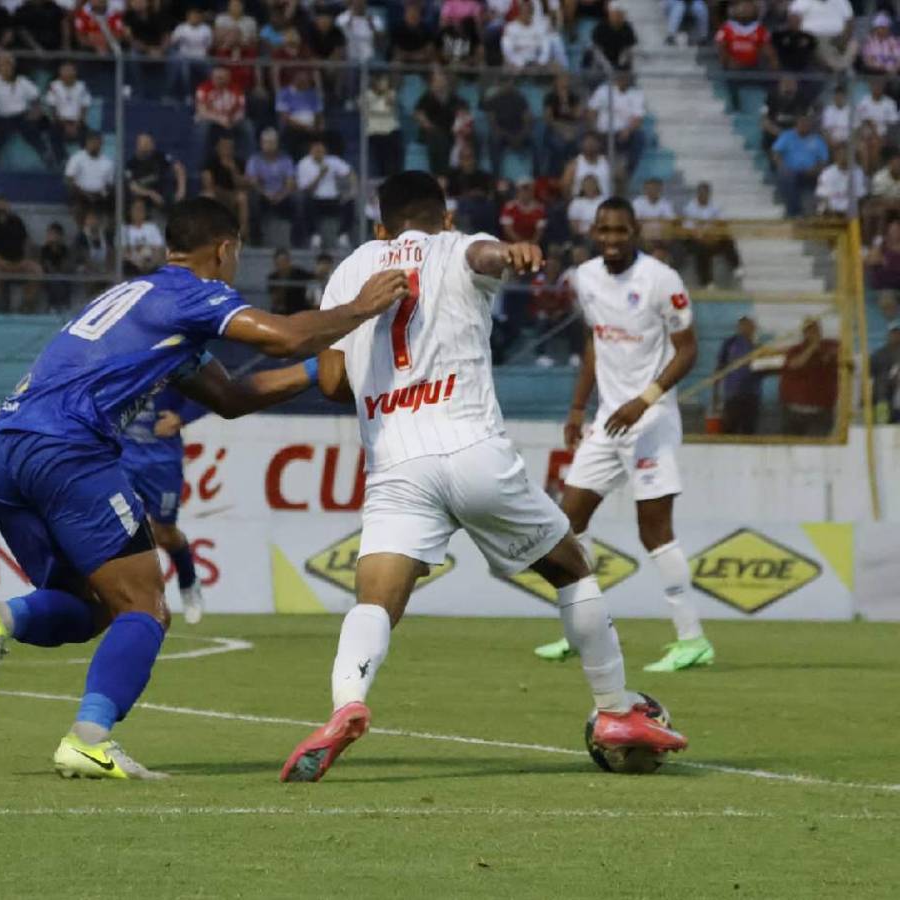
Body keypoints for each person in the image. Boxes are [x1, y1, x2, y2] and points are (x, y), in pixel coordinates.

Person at [0, 196, 412, 780]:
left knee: (92, 608)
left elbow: (232, 397)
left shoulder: (139, 299)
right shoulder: (193, 293)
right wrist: (360, 309)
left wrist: (319, 374)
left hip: (3, 450)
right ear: (224, 249)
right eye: (236, 253)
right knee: (146, 606)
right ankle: (88, 739)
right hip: (68, 449)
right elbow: (282, 335)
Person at [279, 172, 688, 783]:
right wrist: (513, 253)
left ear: (381, 227)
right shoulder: (458, 245)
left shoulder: (351, 269)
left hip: (396, 463)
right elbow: (482, 255)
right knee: (570, 569)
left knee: (376, 602)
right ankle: (614, 709)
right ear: (444, 218)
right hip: (473, 450)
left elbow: (335, 381)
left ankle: (348, 704)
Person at [535, 197, 713, 672]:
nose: (611, 240)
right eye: (603, 231)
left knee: (653, 531)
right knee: (565, 525)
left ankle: (692, 639)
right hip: (607, 422)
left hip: (650, 423)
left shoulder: (661, 279)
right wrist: (577, 404)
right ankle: (584, 631)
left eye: (620, 231)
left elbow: (688, 350)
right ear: (593, 232)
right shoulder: (586, 277)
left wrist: (645, 399)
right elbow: (596, 339)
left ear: (634, 231)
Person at [119, 388, 207, 624]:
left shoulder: (173, 358)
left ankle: (189, 582)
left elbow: (213, 392)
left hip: (162, 459)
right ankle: (127, 600)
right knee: (116, 525)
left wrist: (181, 417)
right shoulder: (118, 355)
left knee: (165, 533)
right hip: (122, 455)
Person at [0, 52, 51, 168]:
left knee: (32, 127)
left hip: (21, 116)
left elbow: (36, 97)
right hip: (1, 117)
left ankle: (46, 155)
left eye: (9, 64)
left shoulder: (22, 81)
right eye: (4, 64)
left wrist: (36, 109)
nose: (7, 67)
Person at [0, 192, 43, 312]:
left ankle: (25, 306)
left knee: (36, 269)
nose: (0, 206)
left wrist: (25, 259)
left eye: (2, 202)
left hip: (18, 262)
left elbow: (25, 242)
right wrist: (1, 261)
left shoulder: (16, 221)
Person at [780, 317, 839, 436]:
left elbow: (838, 355)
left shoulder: (830, 346)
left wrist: (823, 350)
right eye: (809, 330)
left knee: (816, 449)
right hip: (793, 411)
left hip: (820, 412)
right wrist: (812, 347)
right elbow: (795, 364)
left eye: (815, 329)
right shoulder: (795, 350)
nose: (813, 333)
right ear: (804, 333)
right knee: (790, 448)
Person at [716, 0, 778, 113]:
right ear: (734, 11)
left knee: (772, 77)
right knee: (731, 75)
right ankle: (735, 106)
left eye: (748, 7)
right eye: (741, 7)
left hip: (754, 65)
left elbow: (768, 51)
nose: (744, 10)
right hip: (734, 66)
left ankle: (769, 106)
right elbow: (721, 48)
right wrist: (727, 63)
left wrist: (773, 66)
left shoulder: (760, 30)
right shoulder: (726, 29)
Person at [296, 139, 356, 250]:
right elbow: (306, 189)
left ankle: (342, 235)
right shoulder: (304, 164)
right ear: (311, 151)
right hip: (315, 199)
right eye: (316, 150)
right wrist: (320, 175)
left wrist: (352, 189)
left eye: (321, 150)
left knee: (350, 202)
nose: (319, 152)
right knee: (305, 202)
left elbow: (350, 172)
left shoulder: (333, 161)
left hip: (332, 198)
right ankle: (315, 236)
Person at [682, 182, 741, 288]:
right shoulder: (690, 207)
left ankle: (736, 267)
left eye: (705, 193)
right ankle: (707, 282)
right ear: (697, 194)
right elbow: (688, 229)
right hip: (696, 239)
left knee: (727, 239)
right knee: (701, 249)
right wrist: (701, 237)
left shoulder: (716, 206)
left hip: (713, 236)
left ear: (709, 194)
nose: (703, 195)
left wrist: (713, 236)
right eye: (701, 193)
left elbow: (722, 223)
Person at [245, 127, 297, 246]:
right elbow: (252, 182)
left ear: (277, 144)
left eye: (272, 142)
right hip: (262, 195)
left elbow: (290, 183)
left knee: (297, 199)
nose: (269, 145)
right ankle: (255, 239)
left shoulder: (286, 160)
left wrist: (280, 195)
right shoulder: (255, 160)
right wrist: (265, 194)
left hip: (282, 196)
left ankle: (297, 239)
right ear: (261, 144)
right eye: (266, 142)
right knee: (252, 198)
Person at [713, 315, 763, 434]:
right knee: (729, 429)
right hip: (733, 395)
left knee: (749, 430)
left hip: (752, 395)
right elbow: (719, 368)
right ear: (739, 327)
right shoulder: (730, 344)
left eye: (751, 326)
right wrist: (715, 395)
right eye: (744, 326)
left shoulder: (757, 346)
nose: (748, 329)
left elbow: (763, 369)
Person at [772, 113, 828, 217]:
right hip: (791, 172)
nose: (804, 125)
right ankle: (794, 210)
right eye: (801, 123)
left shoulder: (817, 139)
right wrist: (782, 166)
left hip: (811, 173)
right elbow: (776, 153)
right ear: (796, 124)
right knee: (785, 174)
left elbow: (824, 160)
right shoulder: (787, 136)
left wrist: (816, 169)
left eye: (807, 123)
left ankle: (795, 211)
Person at [414, 69, 465, 176]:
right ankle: (440, 174)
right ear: (432, 82)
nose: (441, 82)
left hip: (450, 131)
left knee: (458, 139)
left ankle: (452, 176)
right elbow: (419, 115)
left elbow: (462, 113)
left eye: (442, 79)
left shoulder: (453, 98)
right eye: (437, 80)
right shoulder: (427, 98)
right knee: (439, 138)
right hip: (431, 132)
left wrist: (458, 127)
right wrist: (428, 125)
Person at [126, 132, 187, 216]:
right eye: (145, 143)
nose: (149, 145)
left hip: (162, 198)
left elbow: (179, 168)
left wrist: (181, 191)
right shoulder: (131, 164)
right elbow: (132, 187)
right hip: (144, 200)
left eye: (149, 142)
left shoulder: (159, 157)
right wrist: (151, 194)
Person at [201, 135, 250, 239]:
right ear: (218, 147)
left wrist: (232, 170)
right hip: (216, 192)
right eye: (224, 146)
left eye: (229, 147)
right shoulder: (210, 162)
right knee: (207, 196)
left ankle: (242, 233)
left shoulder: (239, 162)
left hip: (233, 194)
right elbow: (207, 184)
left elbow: (242, 184)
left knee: (242, 197)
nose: (226, 150)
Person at [43, 62, 91, 165]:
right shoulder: (53, 86)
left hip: (77, 121)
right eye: (65, 72)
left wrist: (77, 124)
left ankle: (85, 161)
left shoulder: (82, 86)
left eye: (70, 71)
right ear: (60, 74)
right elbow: (52, 109)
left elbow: (84, 107)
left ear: (75, 73)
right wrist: (65, 125)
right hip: (60, 121)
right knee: (53, 133)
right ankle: (62, 159)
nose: (68, 74)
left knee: (89, 135)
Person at [65, 131, 114, 228]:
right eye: (92, 142)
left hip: (99, 196)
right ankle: (82, 232)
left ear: (101, 144)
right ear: (87, 143)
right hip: (80, 194)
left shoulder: (108, 162)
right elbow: (69, 179)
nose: (95, 145)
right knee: (77, 205)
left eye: (97, 142)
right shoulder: (77, 158)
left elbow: (109, 184)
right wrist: (85, 194)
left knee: (112, 202)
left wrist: (102, 194)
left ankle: (105, 233)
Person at [815, 143, 866, 218]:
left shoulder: (858, 172)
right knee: (822, 208)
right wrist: (832, 210)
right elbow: (822, 195)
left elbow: (860, 196)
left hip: (851, 211)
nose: (843, 156)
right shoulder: (827, 173)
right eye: (840, 154)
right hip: (830, 211)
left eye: (846, 154)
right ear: (836, 156)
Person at [121, 198, 165, 275]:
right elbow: (122, 252)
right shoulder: (124, 229)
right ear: (130, 211)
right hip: (131, 266)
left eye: (141, 209)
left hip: (151, 265)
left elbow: (159, 250)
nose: (139, 212)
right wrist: (138, 263)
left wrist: (150, 264)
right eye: (136, 209)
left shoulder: (152, 227)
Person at [869, 322, 900, 423]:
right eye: (893, 333)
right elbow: (870, 370)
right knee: (881, 385)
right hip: (884, 388)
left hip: (896, 386)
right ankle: (882, 420)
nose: (896, 336)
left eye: (898, 333)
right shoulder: (880, 353)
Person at [267, 248, 312, 315]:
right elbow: (275, 300)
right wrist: (283, 283)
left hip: (299, 309)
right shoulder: (273, 277)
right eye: (280, 262)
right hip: (282, 311)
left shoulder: (298, 273)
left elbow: (314, 276)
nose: (283, 265)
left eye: (285, 261)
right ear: (276, 264)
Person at [40, 222, 72, 310]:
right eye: (50, 234)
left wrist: (61, 272)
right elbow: (46, 265)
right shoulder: (44, 250)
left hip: (63, 275)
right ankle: (53, 306)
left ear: (60, 236)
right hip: (48, 276)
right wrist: (54, 273)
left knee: (66, 281)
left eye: (55, 234)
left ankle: (64, 306)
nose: (52, 236)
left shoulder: (65, 250)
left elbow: (66, 264)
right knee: (54, 282)